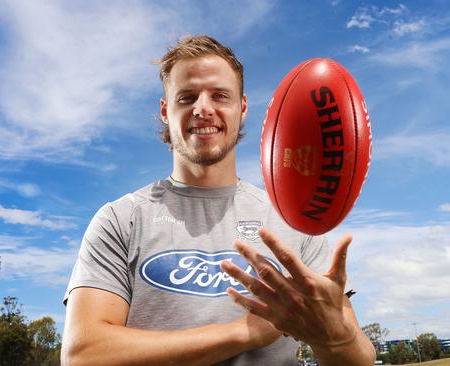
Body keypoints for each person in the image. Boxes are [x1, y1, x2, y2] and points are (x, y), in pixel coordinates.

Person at [61, 35, 376, 366]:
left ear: (242, 107)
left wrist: (335, 336)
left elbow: (357, 358)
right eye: (186, 97)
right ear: (166, 111)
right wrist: (244, 333)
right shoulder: (121, 218)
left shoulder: (293, 221)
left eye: (219, 95)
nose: (202, 108)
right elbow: (83, 354)